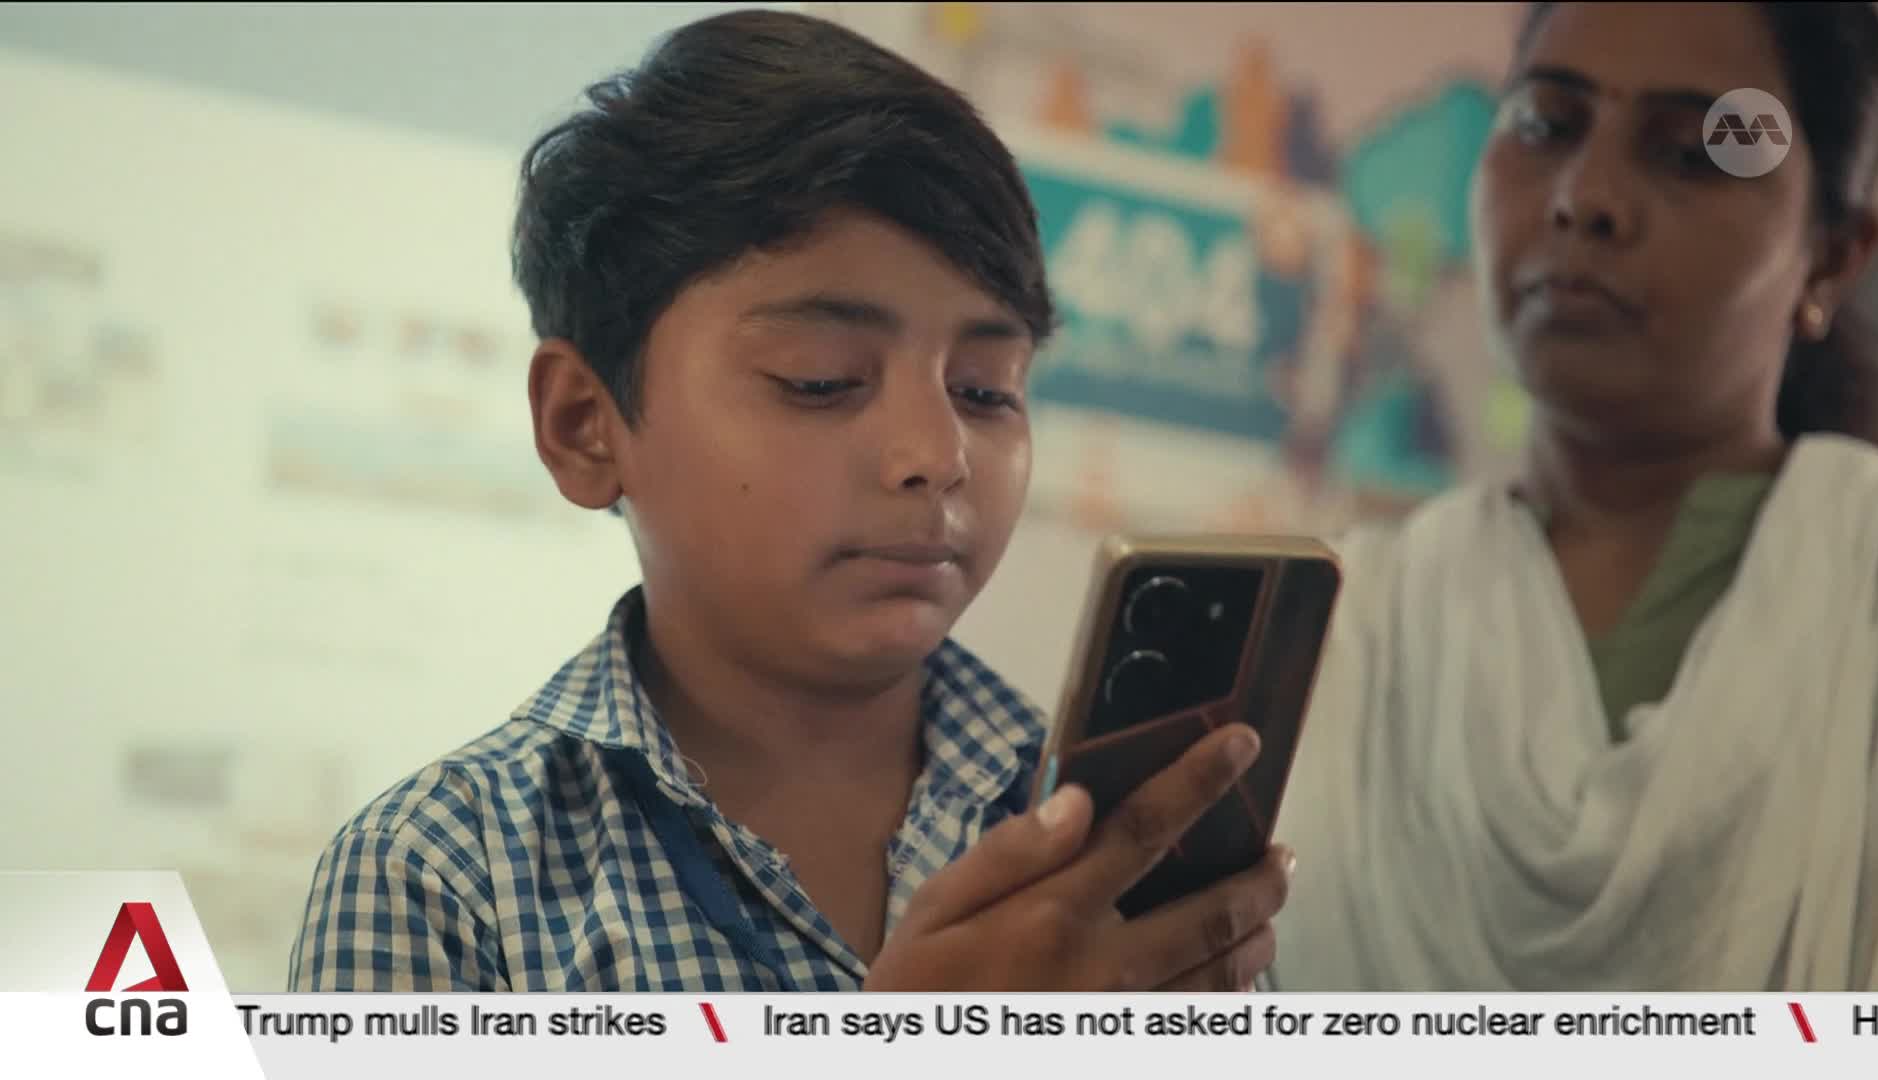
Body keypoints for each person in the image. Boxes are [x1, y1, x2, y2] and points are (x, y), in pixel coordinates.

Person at [289, 9, 1293, 992]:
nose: (936, 455)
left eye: (987, 390)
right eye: (820, 378)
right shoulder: (440, 876)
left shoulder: (1119, 843)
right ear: (584, 424)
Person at [1265, 0, 1878, 991]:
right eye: (1546, 125)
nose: (1586, 196)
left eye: (1694, 151)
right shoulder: (1346, 625)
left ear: (1830, 256)